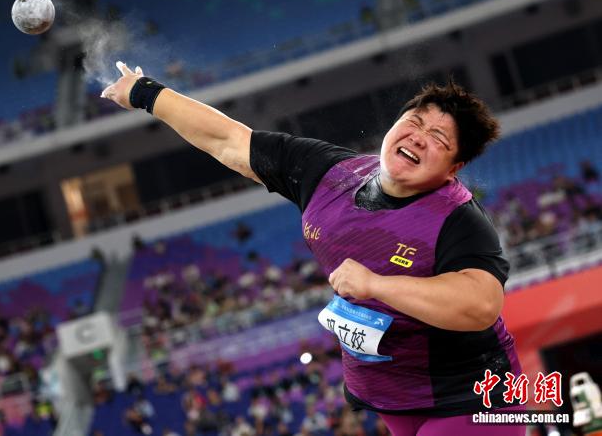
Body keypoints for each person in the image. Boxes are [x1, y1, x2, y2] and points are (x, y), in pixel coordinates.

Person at [101, 62, 525, 435]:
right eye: (414, 122)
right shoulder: (329, 172)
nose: (418, 138)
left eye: (438, 138)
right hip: (391, 397)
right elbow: (229, 140)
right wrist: (145, 93)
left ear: (454, 168)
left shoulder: (458, 219)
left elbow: (481, 305)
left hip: (474, 395)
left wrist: (377, 285)